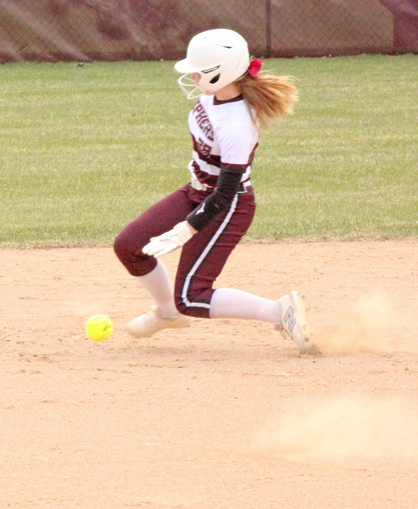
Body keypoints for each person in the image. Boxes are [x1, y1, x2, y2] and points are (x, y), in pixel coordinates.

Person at [113, 29, 315, 353]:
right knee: (129, 246)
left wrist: (184, 231)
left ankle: (279, 310)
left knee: (191, 297)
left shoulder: (237, 126)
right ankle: (168, 314)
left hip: (227, 206)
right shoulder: (214, 95)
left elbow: (225, 195)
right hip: (196, 191)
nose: (192, 75)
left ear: (223, 72)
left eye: (199, 70)